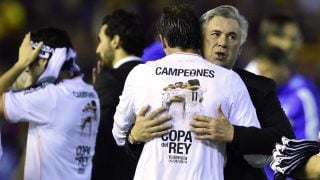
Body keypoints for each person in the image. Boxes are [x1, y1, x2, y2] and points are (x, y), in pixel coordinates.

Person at [125, 5, 296, 180]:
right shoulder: (164, 80)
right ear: (200, 41)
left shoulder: (259, 88)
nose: (223, 42)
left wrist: (233, 133)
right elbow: (141, 148)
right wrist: (133, 137)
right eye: (215, 34)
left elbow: (286, 140)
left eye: (232, 37)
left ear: (241, 48)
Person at [0, 27, 100, 179]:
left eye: (30, 65)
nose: (28, 72)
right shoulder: (90, 93)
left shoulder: (50, 98)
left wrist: (19, 64)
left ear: (44, 61)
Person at [245, 13, 320, 179]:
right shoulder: (239, 85)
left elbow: (310, 151)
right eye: (291, 39)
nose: (297, 45)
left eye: (298, 39)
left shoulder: (303, 90)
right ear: (270, 38)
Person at [90, 9, 145, 180]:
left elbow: (95, 134)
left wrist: (93, 95)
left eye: (101, 40)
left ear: (115, 41)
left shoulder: (108, 80)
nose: (98, 48)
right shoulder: (153, 77)